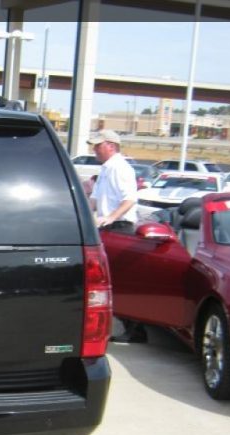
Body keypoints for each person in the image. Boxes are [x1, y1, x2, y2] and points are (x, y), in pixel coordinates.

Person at [86, 129, 147, 344]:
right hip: (106, 228)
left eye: (98, 145)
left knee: (119, 280)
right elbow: (93, 200)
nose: (94, 150)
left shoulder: (120, 168)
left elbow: (129, 199)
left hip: (119, 227)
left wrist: (109, 218)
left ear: (111, 145)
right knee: (108, 279)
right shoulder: (105, 169)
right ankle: (127, 327)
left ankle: (136, 330)